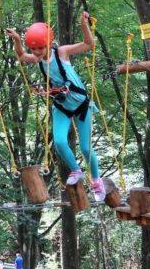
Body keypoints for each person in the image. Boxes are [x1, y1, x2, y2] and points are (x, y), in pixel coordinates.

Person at [6, 12, 105, 202]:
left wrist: (84, 24)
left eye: (41, 48)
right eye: (34, 49)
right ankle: (76, 170)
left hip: (81, 105)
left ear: (49, 43)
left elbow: (88, 44)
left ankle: (96, 179)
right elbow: (20, 56)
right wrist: (17, 39)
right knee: (59, 142)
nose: (37, 53)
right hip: (61, 106)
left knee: (85, 148)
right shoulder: (37, 60)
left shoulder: (62, 53)